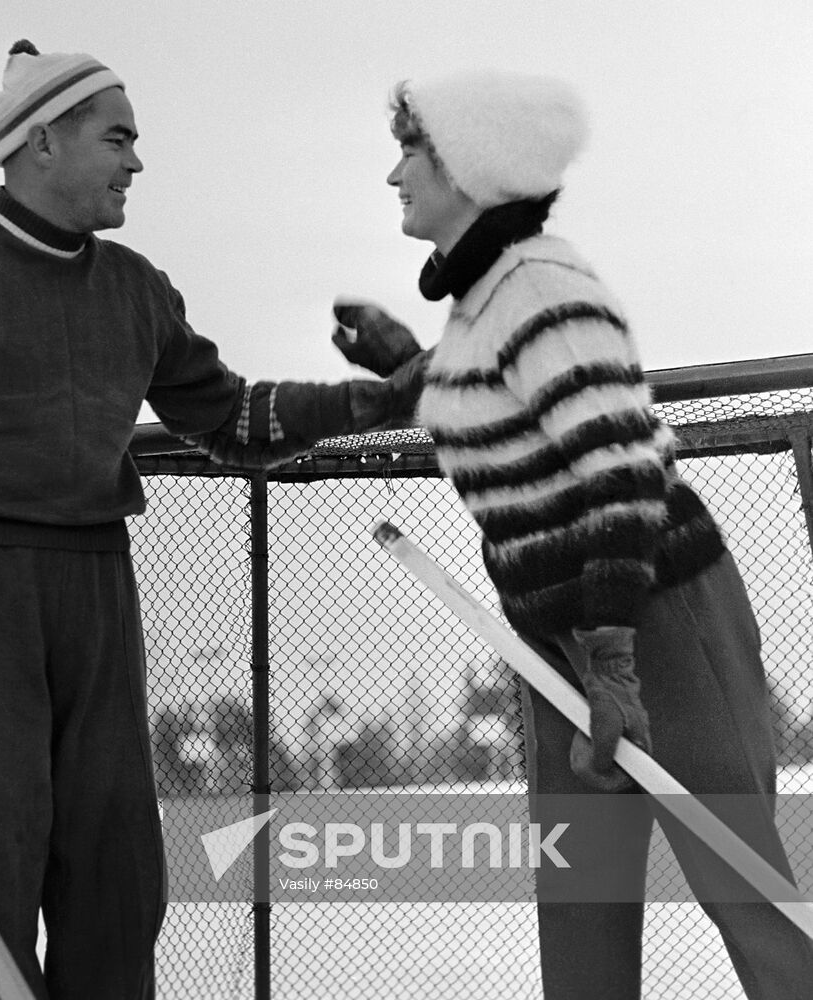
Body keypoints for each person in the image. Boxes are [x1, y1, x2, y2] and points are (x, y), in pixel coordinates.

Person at [0, 41, 428, 1000]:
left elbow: (231, 418)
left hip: (93, 586)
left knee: (117, 885)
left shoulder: (134, 287)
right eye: (118, 138)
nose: (136, 162)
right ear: (40, 141)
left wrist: (373, 402)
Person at [332, 69, 813, 999]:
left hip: (649, 613)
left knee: (741, 884)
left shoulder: (542, 284)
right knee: (581, 905)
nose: (394, 177)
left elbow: (619, 468)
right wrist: (408, 366)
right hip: (562, 636)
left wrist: (614, 659)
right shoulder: (485, 303)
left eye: (409, 153)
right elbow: (515, 420)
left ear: (467, 170)